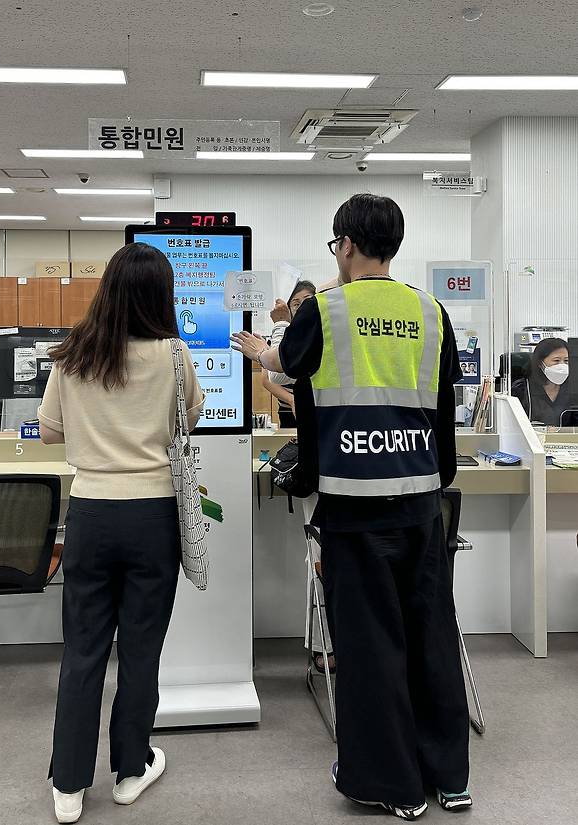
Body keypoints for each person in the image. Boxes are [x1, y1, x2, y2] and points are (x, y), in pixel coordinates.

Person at [232, 193, 471, 820]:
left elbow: (284, 365)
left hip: (353, 509)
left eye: (335, 245)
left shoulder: (327, 310)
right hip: (422, 504)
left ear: (346, 245)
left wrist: (260, 352)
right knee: (430, 638)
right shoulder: (430, 309)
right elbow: (445, 404)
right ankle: (449, 777)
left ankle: (391, 785)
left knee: (370, 649)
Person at [38, 243, 205, 824]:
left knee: (82, 651)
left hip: (89, 514)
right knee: (141, 652)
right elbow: (193, 417)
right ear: (162, 296)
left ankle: (68, 784)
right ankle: (131, 770)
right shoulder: (175, 355)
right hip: (152, 517)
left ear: (106, 288)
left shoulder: (71, 356)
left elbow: (49, 434)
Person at [263, 279, 335, 671]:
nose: (304, 308)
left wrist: (280, 325)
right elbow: (276, 377)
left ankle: (329, 646)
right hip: (336, 456)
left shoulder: (323, 329)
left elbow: (278, 368)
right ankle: (328, 644)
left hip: (325, 463)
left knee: (324, 556)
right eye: (297, 303)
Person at [262, 280, 317, 427]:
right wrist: (292, 400)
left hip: (315, 406)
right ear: (288, 309)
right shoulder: (279, 336)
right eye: (296, 304)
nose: (301, 308)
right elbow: (267, 379)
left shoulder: (319, 334)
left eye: (307, 301)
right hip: (288, 407)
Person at [512, 338, 571, 426]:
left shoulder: (572, 388)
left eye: (566, 361)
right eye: (556, 361)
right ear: (540, 363)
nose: (562, 366)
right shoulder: (522, 389)